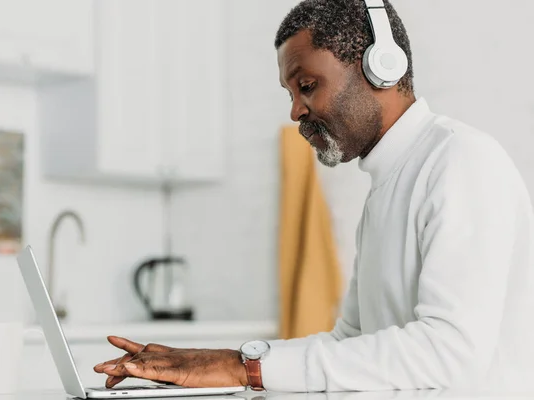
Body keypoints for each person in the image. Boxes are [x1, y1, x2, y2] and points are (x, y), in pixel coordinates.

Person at [93, 0, 534, 392]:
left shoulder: (460, 160)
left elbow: (449, 351)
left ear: (381, 66)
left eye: (306, 85)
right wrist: (218, 362)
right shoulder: (386, 187)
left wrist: (242, 367)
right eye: (290, 93)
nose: (294, 111)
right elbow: (352, 344)